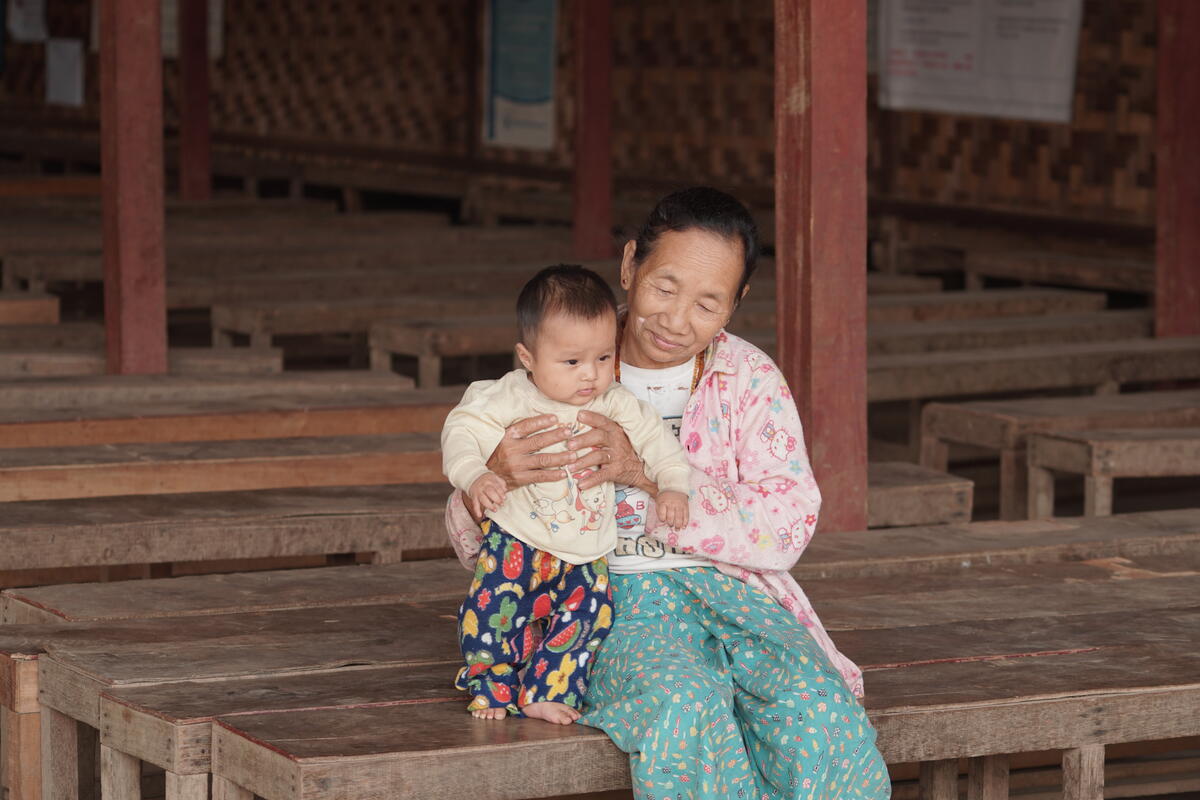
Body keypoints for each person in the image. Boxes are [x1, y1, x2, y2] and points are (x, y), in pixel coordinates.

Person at [446, 188, 890, 798]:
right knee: (685, 706)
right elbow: (477, 548)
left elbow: (787, 523)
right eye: (663, 288)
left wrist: (646, 476)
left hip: (734, 592)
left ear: (736, 304)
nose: (678, 320)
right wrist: (492, 474)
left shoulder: (750, 379)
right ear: (629, 266)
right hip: (605, 596)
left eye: (708, 303)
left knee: (814, 705)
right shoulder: (561, 369)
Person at [442, 264, 692, 725]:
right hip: (517, 542)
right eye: (572, 361)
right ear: (528, 357)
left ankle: (546, 688)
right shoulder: (508, 396)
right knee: (492, 611)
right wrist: (475, 473)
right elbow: (461, 431)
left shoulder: (614, 402)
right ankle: (492, 686)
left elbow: (660, 443)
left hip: (587, 552)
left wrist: (672, 484)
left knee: (590, 619)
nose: (591, 376)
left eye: (602, 358)